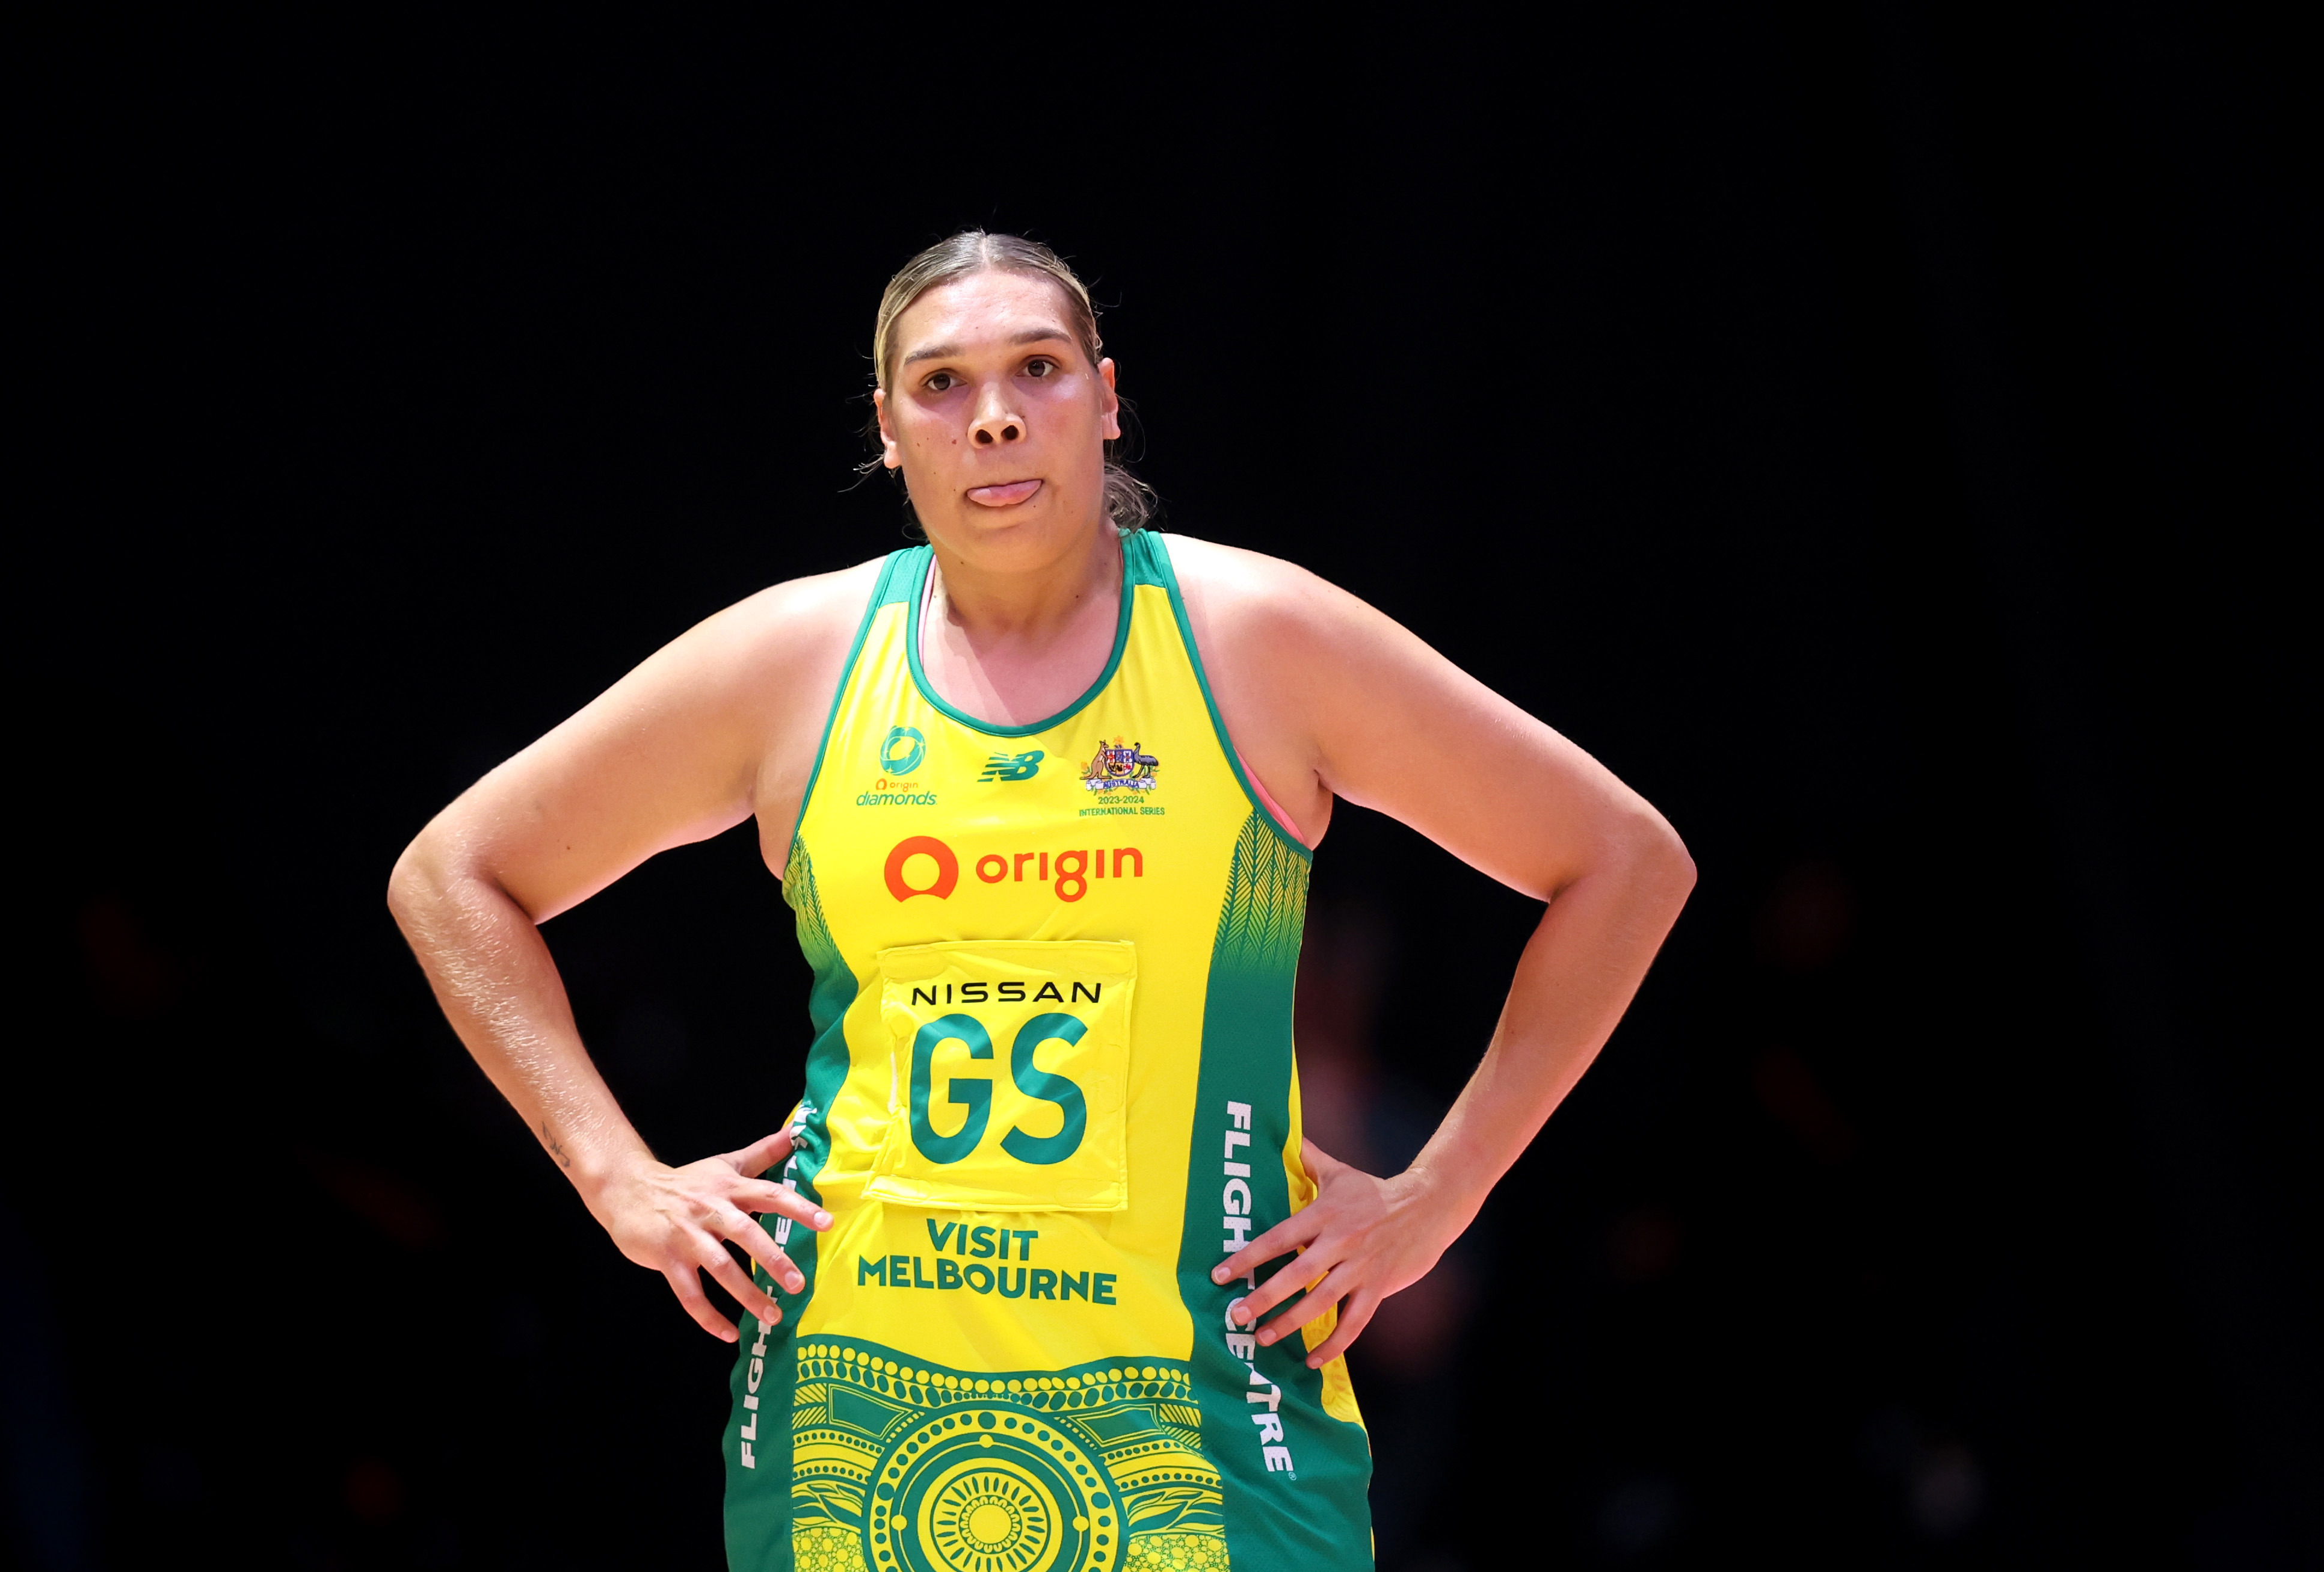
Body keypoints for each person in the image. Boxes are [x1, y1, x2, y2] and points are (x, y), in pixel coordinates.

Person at [387, 231, 1695, 1571]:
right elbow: (452, 877)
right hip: (858, 1417)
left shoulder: (1255, 638)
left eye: (1037, 366)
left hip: (1203, 1421)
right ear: (887, 431)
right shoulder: (796, 659)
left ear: (1108, 396)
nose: (995, 412)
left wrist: (1439, 1191)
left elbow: (1623, 861)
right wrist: (617, 1178)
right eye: (940, 383)